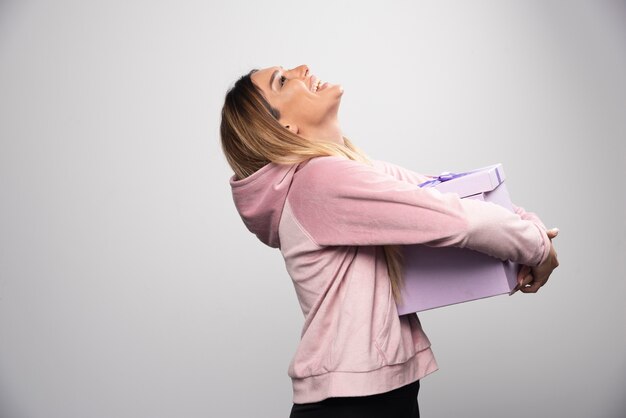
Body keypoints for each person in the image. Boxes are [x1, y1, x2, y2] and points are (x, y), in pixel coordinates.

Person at [219, 64, 559, 418]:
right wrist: (538, 246)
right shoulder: (319, 181)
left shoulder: (342, 171)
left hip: (368, 396)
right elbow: (456, 220)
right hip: (352, 405)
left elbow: (449, 195)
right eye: (283, 80)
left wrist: (531, 227)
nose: (301, 68)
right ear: (284, 127)